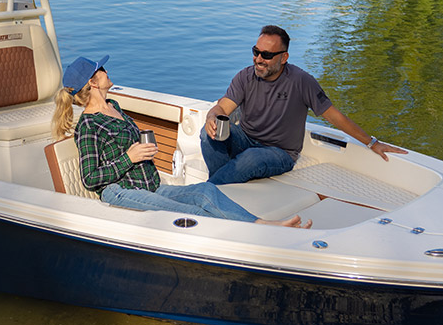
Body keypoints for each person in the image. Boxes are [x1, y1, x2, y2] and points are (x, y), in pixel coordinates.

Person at [51, 55, 310, 228]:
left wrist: (143, 153)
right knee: (190, 213)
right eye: (102, 69)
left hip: (149, 186)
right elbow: (90, 178)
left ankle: (262, 226)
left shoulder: (114, 105)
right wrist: (129, 157)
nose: (107, 71)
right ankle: (257, 237)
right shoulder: (89, 125)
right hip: (120, 192)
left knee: (205, 191)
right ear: (93, 82)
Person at [201, 25, 406, 185]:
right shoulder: (245, 77)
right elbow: (223, 108)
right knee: (207, 134)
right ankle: (220, 186)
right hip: (245, 139)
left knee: (250, 159)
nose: (259, 59)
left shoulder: (301, 81)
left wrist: (372, 143)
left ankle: (209, 190)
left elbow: (334, 116)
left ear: (284, 58)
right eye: (256, 52)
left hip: (280, 153)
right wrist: (212, 116)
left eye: (267, 55)